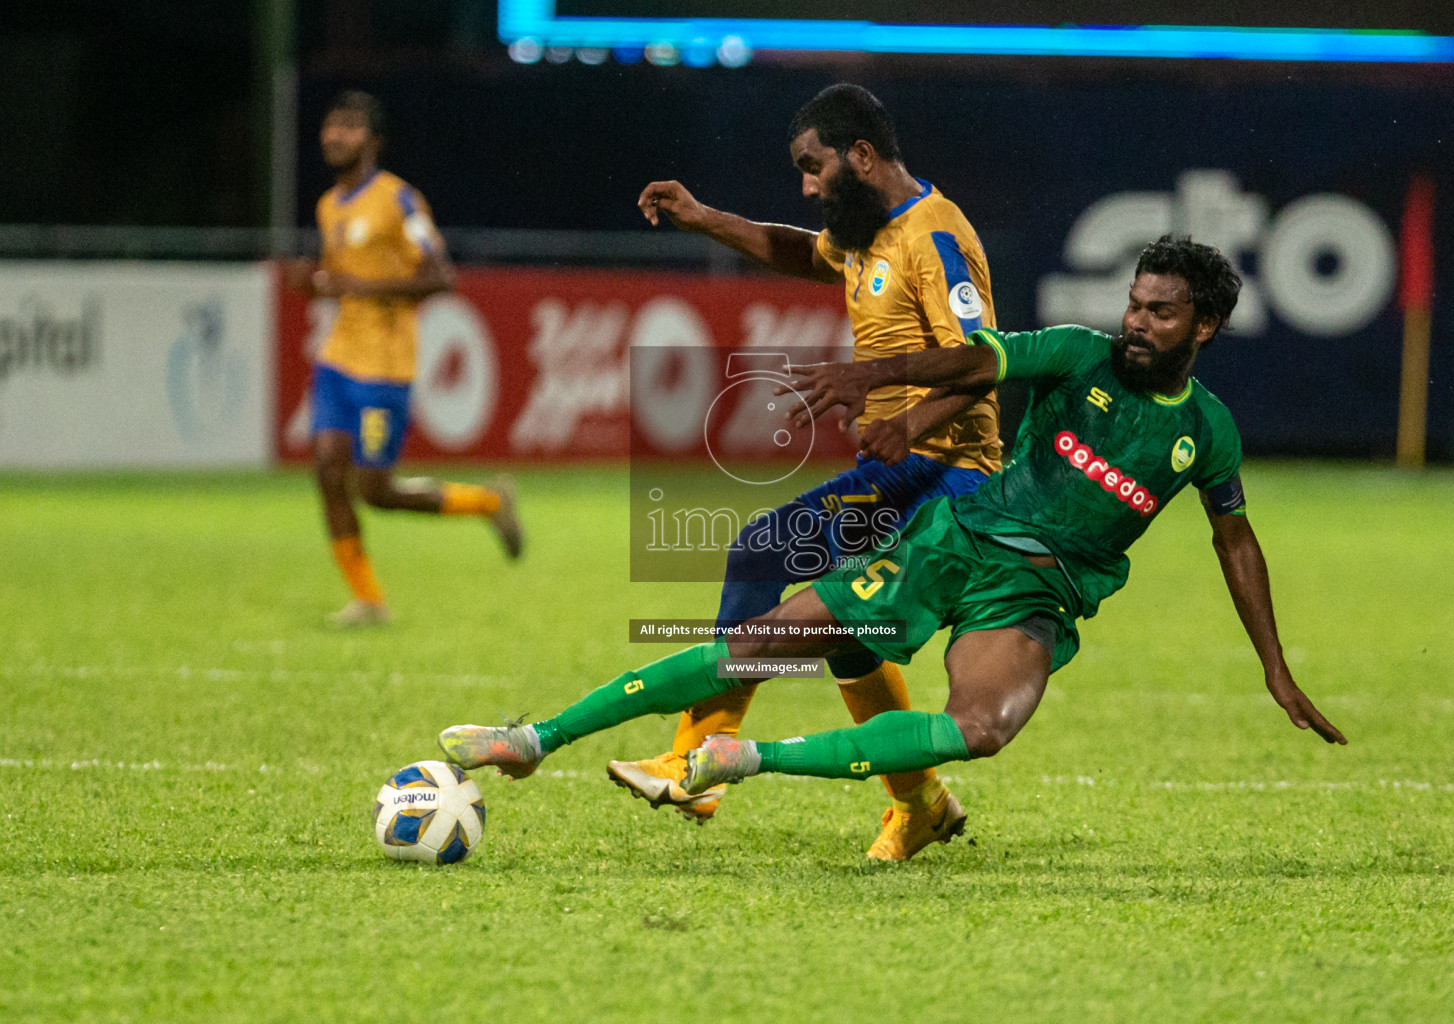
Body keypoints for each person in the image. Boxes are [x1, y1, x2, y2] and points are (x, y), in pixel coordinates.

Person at [436, 237, 1347, 855]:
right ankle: (532, 738)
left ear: (1205, 328)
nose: (1137, 322)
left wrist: (1276, 667)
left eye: (1160, 313)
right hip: (954, 543)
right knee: (762, 644)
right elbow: (971, 362)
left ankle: (747, 760)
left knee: (983, 729)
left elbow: (1236, 540)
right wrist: (876, 380)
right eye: (1136, 304)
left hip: (1035, 598)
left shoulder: (1208, 430)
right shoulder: (1078, 355)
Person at [615, 83, 1003, 860]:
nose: (807, 185)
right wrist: (705, 217)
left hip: (953, 474)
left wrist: (909, 421)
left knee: (768, 553)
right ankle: (921, 800)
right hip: (905, 464)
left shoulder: (935, 238)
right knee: (843, 628)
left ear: (861, 156)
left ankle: (700, 757)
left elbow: (984, 359)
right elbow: (801, 250)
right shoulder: (867, 232)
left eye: (813, 166)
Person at [287, 90, 523, 628]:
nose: (333, 135)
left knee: (376, 491)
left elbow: (441, 276)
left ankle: (487, 501)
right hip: (338, 359)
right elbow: (341, 284)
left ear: (372, 140)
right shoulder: (329, 206)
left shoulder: (400, 201)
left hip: (385, 368)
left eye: (347, 127)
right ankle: (368, 600)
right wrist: (316, 285)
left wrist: (361, 286)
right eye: (329, 125)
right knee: (327, 469)